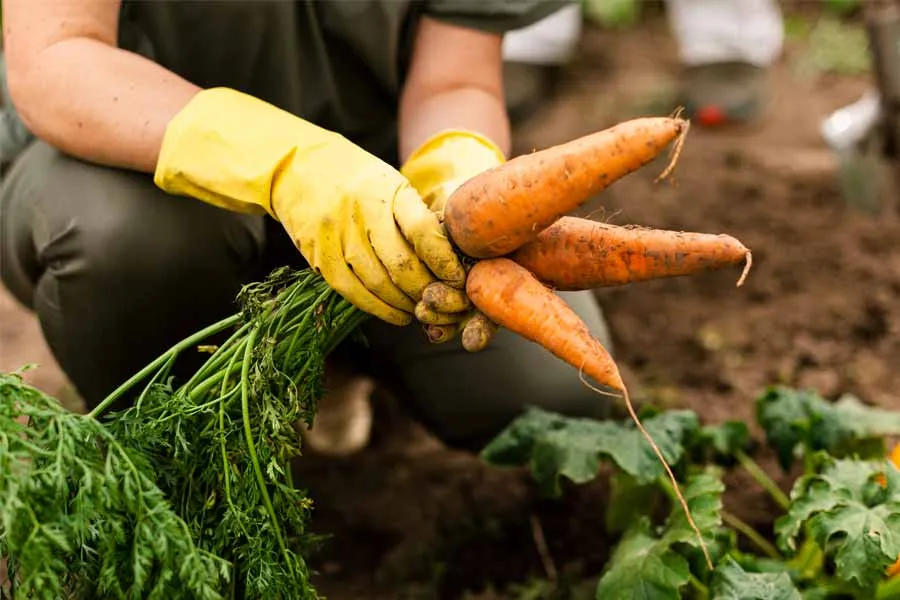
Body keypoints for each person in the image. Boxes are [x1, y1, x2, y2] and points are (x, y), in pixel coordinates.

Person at [0, 0, 615, 455]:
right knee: (124, 242)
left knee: (562, 396)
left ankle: (327, 363)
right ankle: (174, 458)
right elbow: (59, 57)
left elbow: (455, 79)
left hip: (379, 183)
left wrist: (453, 185)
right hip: (137, 171)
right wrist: (283, 160)